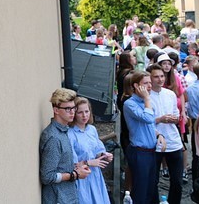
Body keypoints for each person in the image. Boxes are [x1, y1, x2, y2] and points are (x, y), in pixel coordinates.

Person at [40, 88, 91, 203]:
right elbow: (47, 176)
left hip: (68, 197)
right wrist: (75, 175)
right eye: (68, 109)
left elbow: (60, 164)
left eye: (73, 108)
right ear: (56, 110)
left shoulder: (63, 131)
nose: (72, 112)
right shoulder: (53, 137)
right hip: (58, 199)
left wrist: (75, 168)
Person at [123, 70, 164, 203]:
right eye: (145, 83)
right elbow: (147, 118)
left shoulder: (146, 102)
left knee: (151, 188)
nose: (150, 86)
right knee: (140, 190)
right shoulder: (130, 104)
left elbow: (151, 125)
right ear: (136, 86)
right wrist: (147, 98)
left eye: (150, 83)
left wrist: (159, 135)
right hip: (139, 152)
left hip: (151, 151)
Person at [147, 63, 184, 204]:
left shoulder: (170, 94)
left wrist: (175, 119)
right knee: (153, 180)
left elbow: (176, 114)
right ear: (150, 78)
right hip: (154, 143)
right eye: (156, 77)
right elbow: (145, 122)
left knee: (177, 181)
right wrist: (160, 119)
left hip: (173, 141)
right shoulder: (147, 96)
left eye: (162, 76)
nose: (160, 79)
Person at [67, 97, 113, 204]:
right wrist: (88, 162)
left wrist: (103, 154)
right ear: (74, 113)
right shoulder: (70, 134)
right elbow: (71, 164)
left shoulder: (91, 129)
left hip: (95, 176)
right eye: (80, 112)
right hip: (82, 179)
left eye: (87, 111)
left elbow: (96, 150)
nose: (84, 115)